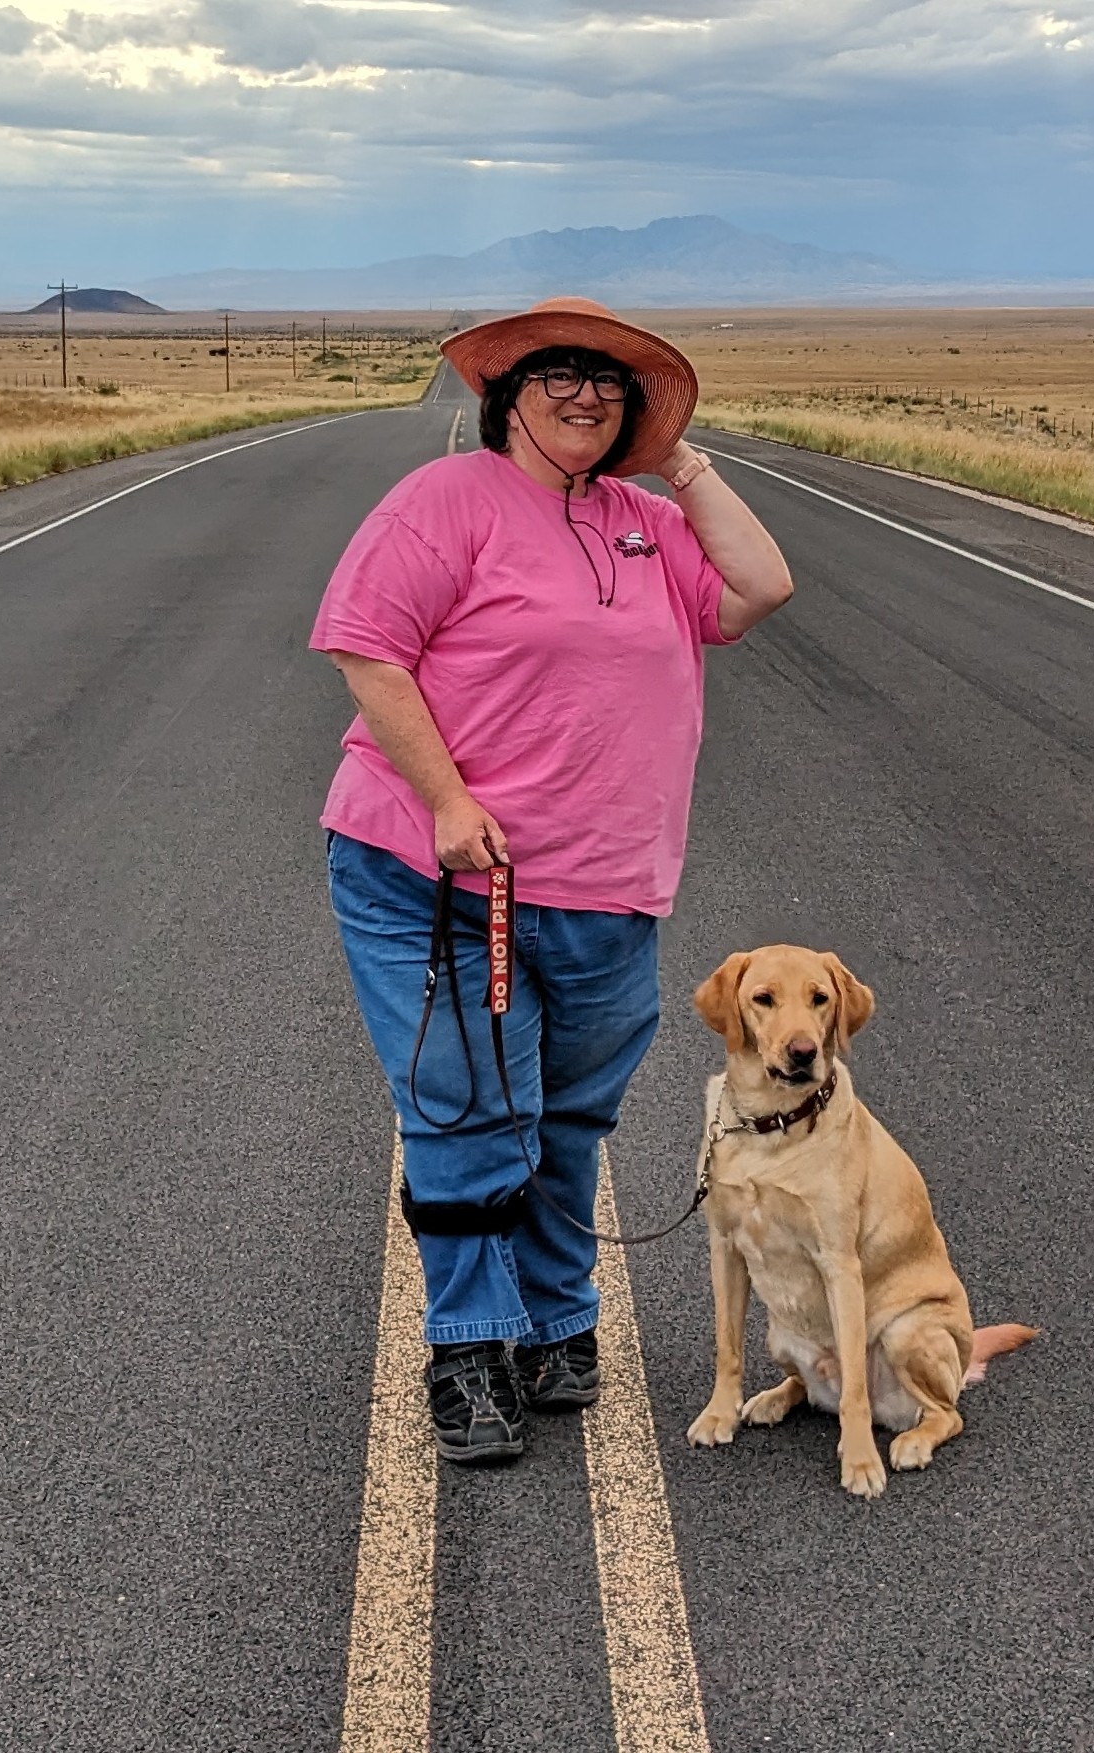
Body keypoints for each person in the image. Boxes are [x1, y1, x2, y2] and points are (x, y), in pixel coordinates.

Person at [311, 296, 793, 1465]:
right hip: (438, 870)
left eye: (610, 384)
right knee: (469, 1107)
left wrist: (676, 462)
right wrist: (445, 799)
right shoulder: (444, 502)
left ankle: (557, 1315)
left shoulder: (644, 517)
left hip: (610, 884)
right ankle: (470, 1347)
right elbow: (363, 643)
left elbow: (759, 589)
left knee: (570, 1114)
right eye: (559, 376)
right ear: (506, 398)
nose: (585, 395)